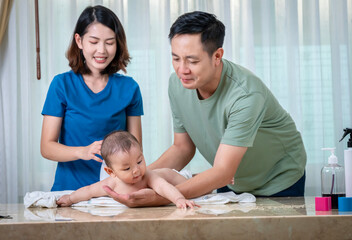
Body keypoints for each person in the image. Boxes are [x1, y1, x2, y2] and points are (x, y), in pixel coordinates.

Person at [103, 11, 307, 207]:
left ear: (217, 56)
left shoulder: (246, 95)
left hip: (278, 179)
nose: (182, 69)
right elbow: (182, 149)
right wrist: (135, 179)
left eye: (192, 61)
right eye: (176, 58)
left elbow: (223, 171)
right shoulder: (178, 84)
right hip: (231, 180)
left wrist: (160, 197)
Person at [41, 5, 143, 191]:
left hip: (115, 193)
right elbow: (47, 148)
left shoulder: (130, 88)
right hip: (69, 192)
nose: (102, 50)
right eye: (94, 42)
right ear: (79, 41)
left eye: (110, 42)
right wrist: (83, 151)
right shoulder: (61, 85)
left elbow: (136, 150)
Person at [56, 130, 197, 209]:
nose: (136, 170)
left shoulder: (147, 176)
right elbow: (89, 191)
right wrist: (70, 198)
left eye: (140, 161)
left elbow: (163, 186)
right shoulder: (112, 183)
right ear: (112, 172)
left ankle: (193, 177)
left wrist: (179, 199)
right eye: (127, 168)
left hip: (170, 176)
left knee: (196, 187)